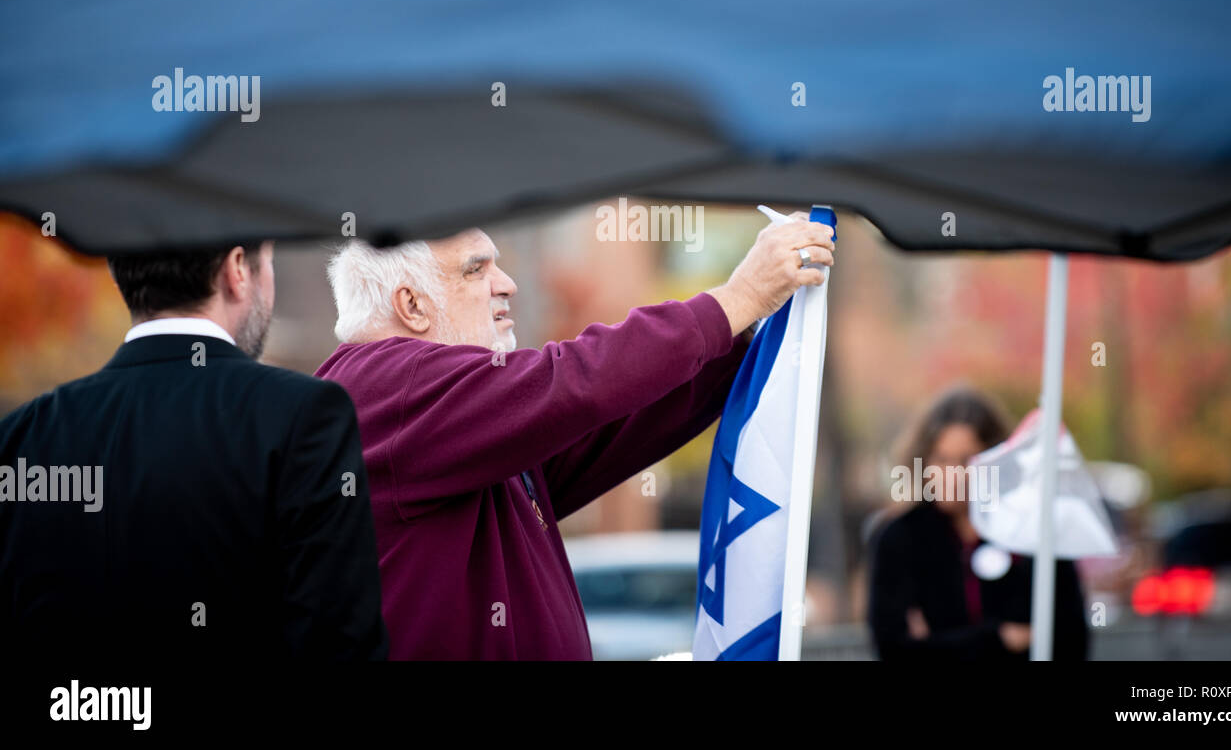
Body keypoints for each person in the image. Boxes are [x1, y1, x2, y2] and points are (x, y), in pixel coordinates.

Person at [316, 216, 835, 659]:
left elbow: (608, 428)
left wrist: (742, 336)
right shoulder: (387, 385)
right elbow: (575, 381)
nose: (507, 284)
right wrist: (737, 299)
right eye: (476, 269)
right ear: (411, 306)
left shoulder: (444, 414)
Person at [0, 241, 388, 659]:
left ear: (118, 276)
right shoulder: (305, 416)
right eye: (269, 262)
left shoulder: (22, 435)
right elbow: (340, 641)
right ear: (238, 269)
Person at [867, 385, 1088, 660]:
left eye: (967, 460)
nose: (954, 475)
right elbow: (894, 649)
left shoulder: (1028, 533)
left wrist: (938, 643)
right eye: (942, 459)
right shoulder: (899, 538)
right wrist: (999, 639)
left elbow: (1069, 637)